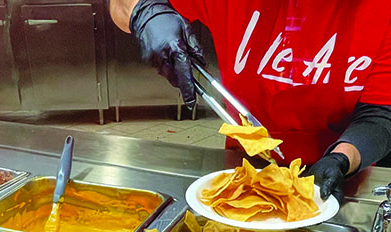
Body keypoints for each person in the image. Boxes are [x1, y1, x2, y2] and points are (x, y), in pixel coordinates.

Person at [109, 0, 391, 201]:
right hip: (245, 170)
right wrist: (147, 12)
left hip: (341, 181)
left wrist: (342, 159)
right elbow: (121, 4)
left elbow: (379, 115)